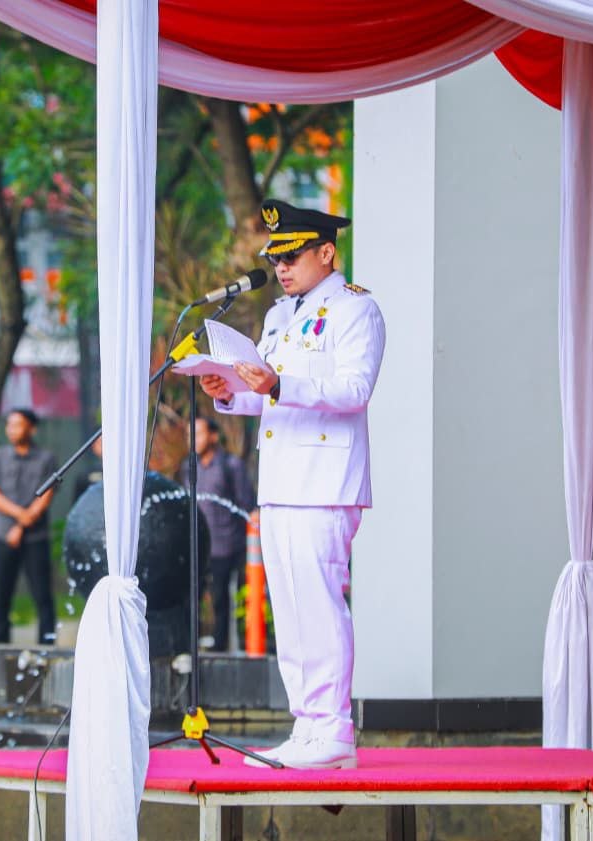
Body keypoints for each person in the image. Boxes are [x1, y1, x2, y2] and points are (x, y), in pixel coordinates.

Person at [199, 199, 386, 770]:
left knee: (320, 606)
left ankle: (334, 729)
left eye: (294, 255)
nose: (281, 267)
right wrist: (229, 391)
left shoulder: (357, 310)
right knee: (292, 608)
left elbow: (354, 389)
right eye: (276, 257)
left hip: (325, 480)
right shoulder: (281, 315)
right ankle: (307, 726)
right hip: (280, 481)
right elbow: (270, 395)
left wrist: (280, 383)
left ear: (327, 253)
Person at [0, 408, 59, 644]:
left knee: (43, 595)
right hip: (2, 535)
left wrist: (23, 524)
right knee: (1, 595)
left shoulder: (45, 458)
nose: (12, 429)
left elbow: (46, 495)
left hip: (35, 537)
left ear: (31, 428)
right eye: (10, 424)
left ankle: (47, 645)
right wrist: (19, 517)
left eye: (18, 424)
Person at [178, 417, 254, 652]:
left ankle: (222, 647)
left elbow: (246, 504)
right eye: (190, 435)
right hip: (197, 545)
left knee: (221, 598)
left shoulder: (231, 465)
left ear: (213, 436)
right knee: (191, 596)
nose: (194, 440)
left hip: (226, 544)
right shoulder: (188, 467)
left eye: (198, 434)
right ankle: (188, 644)